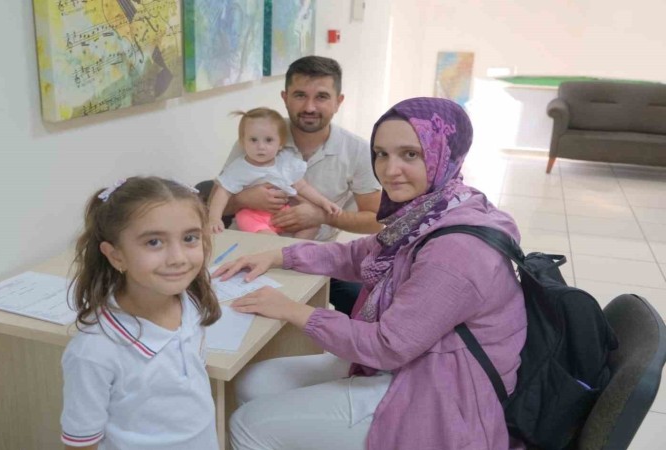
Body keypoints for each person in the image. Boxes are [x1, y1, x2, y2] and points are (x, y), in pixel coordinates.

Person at [214, 98, 528, 450]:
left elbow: (386, 346)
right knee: (254, 382)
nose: (390, 170)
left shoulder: (456, 251)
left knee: (246, 426)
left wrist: (292, 310)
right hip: (418, 359)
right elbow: (360, 253)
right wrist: (279, 254)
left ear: (444, 154)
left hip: (444, 391)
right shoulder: (434, 209)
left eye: (410, 154)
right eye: (381, 154)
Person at [61, 177, 221, 450]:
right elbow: (81, 442)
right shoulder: (94, 351)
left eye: (190, 238)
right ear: (116, 256)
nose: (178, 258)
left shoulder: (190, 302)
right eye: (154, 242)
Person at [219, 55, 383, 315]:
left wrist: (322, 217)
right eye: (299, 95)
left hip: (317, 255)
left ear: (338, 102)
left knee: (371, 307)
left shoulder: (358, 151)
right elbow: (216, 201)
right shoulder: (257, 137)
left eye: (321, 97)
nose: (309, 107)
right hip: (248, 245)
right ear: (285, 98)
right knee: (228, 311)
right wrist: (243, 200)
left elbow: (376, 221)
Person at [209, 107, 341, 238]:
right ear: (243, 142)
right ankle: (277, 244)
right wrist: (214, 218)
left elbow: (302, 187)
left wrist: (324, 202)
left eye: (268, 140)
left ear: (280, 144)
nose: (261, 147)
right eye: (253, 140)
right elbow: (222, 192)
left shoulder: (285, 163)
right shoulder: (239, 168)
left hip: (282, 213)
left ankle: (297, 247)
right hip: (253, 216)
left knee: (313, 226)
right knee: (264, 235)